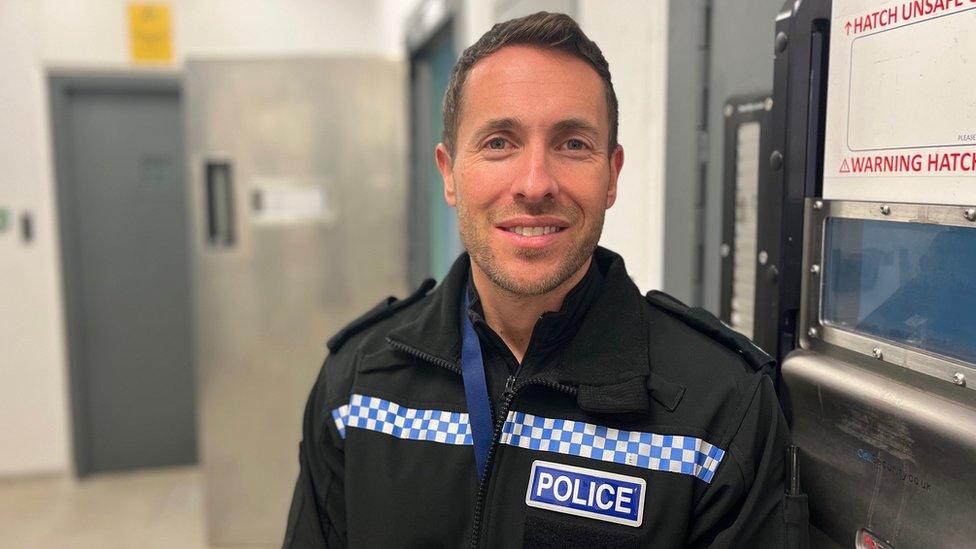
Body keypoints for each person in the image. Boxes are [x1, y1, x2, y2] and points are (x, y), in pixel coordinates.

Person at [284, 12, 793, 548]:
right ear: (449, 173)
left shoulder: (719, 414)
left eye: (572, 143)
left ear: (612, 174)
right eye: (499, 142)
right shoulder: (358, 389)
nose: (534, 185)